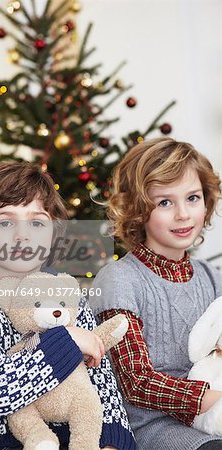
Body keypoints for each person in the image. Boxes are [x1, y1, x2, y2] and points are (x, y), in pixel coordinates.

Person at [0, 161, 136, 450]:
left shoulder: (72, 304)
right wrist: (67, 340)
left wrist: (111, 443)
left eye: (36, 222)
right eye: (5, 222)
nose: (23, 235)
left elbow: (105, 391)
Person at [92, 138, 222, 450]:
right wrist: (208, 396)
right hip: (153, 427)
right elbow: (134, 383)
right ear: (137, 211)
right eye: (165, 202)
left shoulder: (213, 277)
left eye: (192, 198)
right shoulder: (119, 279)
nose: (183, 214)